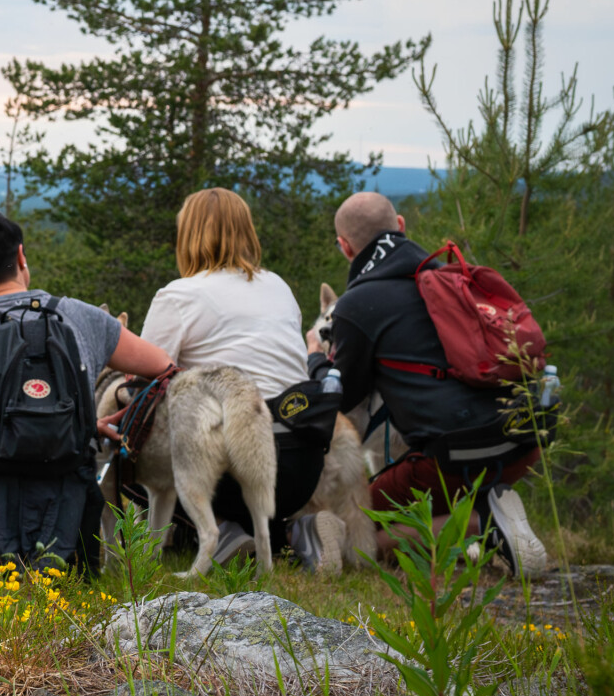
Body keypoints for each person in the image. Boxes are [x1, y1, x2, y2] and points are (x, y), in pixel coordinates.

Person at [0, 207, 171, 571]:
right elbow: (162, 366)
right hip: (67, 472)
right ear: (21, 255)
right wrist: (82, 423)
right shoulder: (82, 316)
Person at [308, 191, 549, 574]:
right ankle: (492, 510)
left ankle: (484, 525)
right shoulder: (449, 278)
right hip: (523, 441)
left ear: (345, 247)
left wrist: (316, 359)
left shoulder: (358, 304)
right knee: (428, 484)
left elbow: (340, 397)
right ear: (401, 226)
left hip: (455, 458)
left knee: (361, 522)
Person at [135, 187, 346, 569]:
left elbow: (144, 385)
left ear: (188, 234)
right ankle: (301, 531)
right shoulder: (279, 287)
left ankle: (220, 530)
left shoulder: (179, 296)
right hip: (299, 464)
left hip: (227, 466)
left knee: (141, 433)